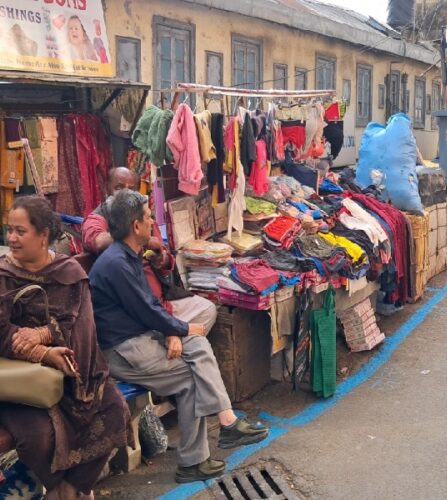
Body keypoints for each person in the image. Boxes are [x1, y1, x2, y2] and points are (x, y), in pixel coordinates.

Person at [89, 189, 269, 484]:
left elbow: (149, 306)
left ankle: (220, 431)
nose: (152, 224)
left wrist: (174, 332)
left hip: (142, 339)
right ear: (136, 226)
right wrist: (179, 328)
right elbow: (146, 309)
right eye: (148, 218)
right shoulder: (117, 264)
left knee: (197, 346)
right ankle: (206, 446)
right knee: (193, 376)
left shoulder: (128, 256)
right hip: (126, 351)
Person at [0, 196, 131, 500]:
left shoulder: (69, 273)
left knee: (115, 411)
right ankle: (60, 490)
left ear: (43, 235)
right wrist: (43, 353)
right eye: (10, 231)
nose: (12, 239)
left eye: (21, 231)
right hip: (21, 381)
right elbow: (3, 334)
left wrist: (46, 334)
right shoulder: (3, 276)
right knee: (37, 438)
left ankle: (71, 489)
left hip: (75, 370)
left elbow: (82, 329)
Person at [82, 167, 217, 333]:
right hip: (133, 310)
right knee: (184, 336)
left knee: (208, 310)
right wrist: (138, 238)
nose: (124, 193)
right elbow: (97, 240)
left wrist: (162, 259)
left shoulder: (144, 217)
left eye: (130, 189)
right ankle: (171, 338)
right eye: (118, 188)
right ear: (106, 189)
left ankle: (173, 339)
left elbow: (163, 252)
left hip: (160, 302)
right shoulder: (98, 217)